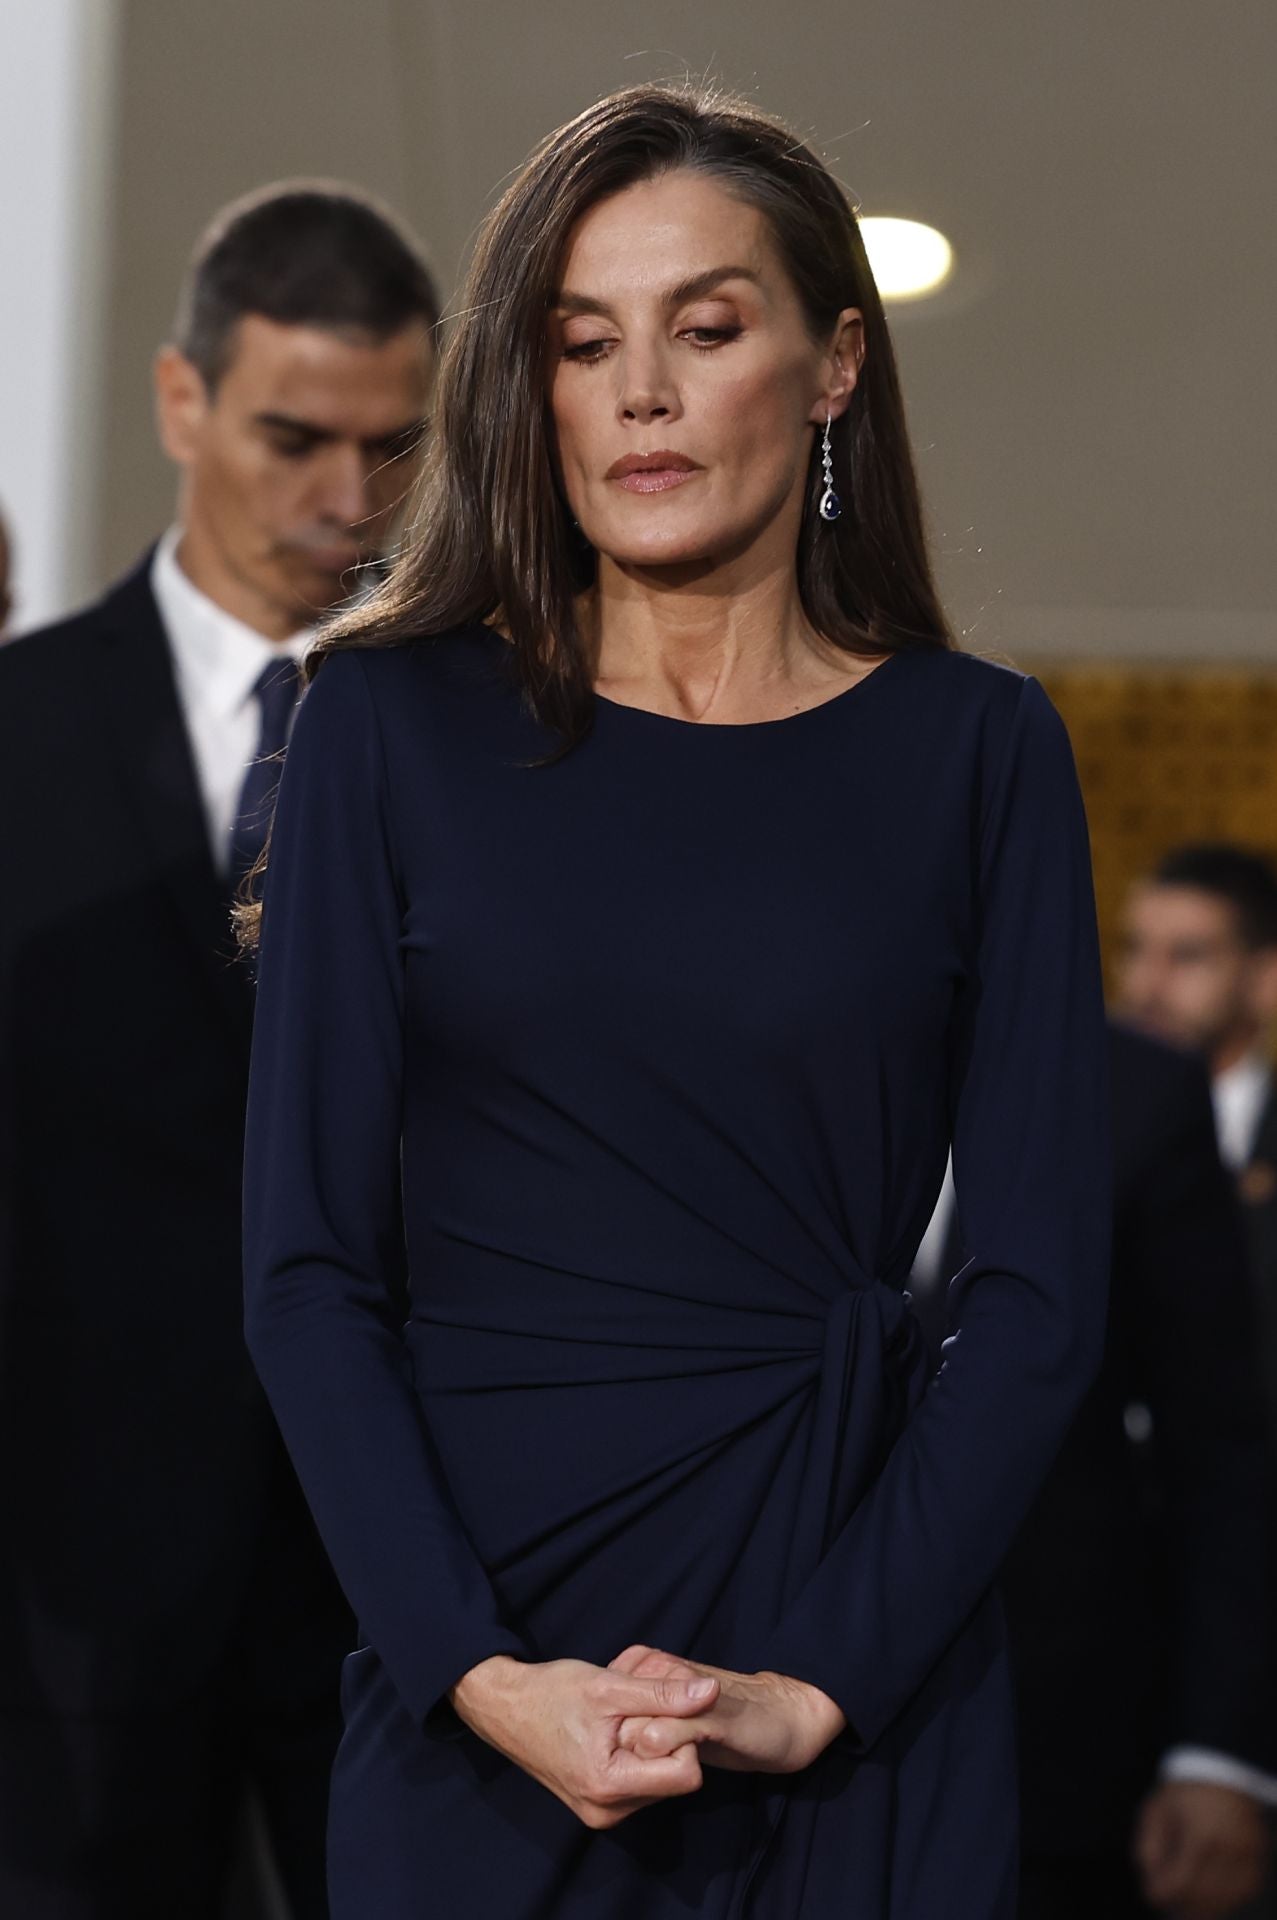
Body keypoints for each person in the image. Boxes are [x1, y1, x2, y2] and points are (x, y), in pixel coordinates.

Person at [240, 85, 1110, 1919]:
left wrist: (818, 1683)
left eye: (704, 330)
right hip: (482, 1659)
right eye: (582, 341)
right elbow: (306, 1271)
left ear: (830, 369)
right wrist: (469, 1668)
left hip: (854, 1645)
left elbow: (1034, 1293)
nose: (638, 389)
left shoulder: (978, 751)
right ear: (532, 389)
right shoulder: (384, 734)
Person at [0, 182, 437, 1918]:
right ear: (182, 401)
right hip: (59, 1589)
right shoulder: (17, 737)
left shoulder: (508, 752)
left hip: (410, 1573)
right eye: (294, 437)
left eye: (395, 444)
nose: (347, 500)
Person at [912, 1023, 1276, 1918]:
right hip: (732, 1721)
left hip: (1052, 1741)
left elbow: (1217, 1445)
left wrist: (1218, 1753)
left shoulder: (1134, 1091)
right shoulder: (724, 1048)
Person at [1117, 843, 1277, 1432]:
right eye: (1134, 950)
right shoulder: (1063, 1142)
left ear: (1266, 977)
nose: (1147, 985)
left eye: (1187, 956)